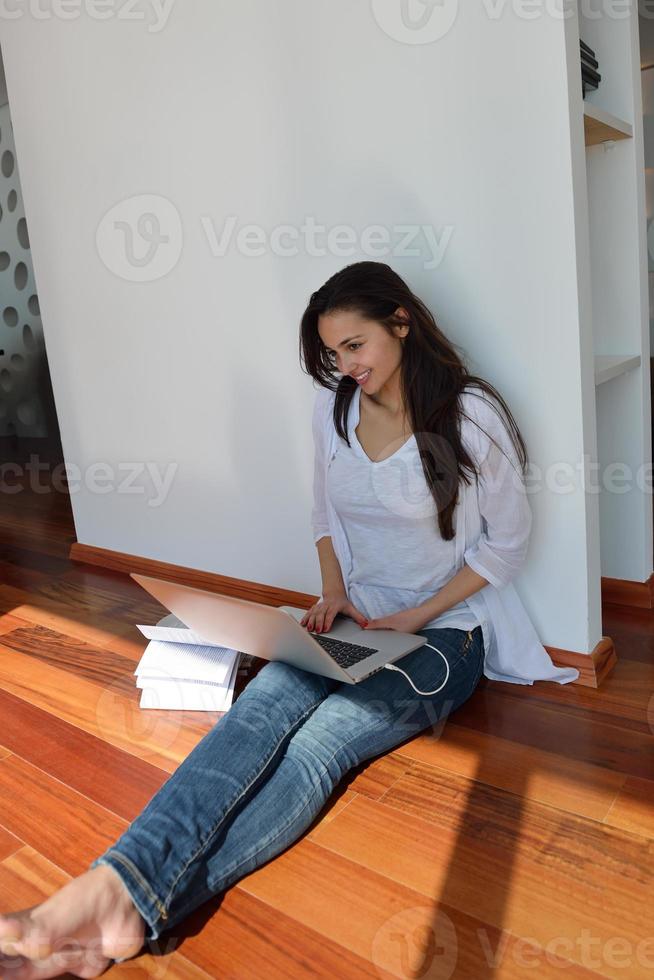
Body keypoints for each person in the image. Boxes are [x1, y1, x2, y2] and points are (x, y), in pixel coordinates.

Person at [0, 260, 536, 979]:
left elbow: (509, 544)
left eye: (356, 346)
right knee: (257, 714)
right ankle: (116, 902)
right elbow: (324, 516)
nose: (346, 367)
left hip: (444, 637)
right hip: (358, 620)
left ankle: (116, 904)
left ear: (400, 323)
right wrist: (332, 593)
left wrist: (416, 614)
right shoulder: (336, 407)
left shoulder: (470, 416)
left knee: (321, 745)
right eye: (333, 353)